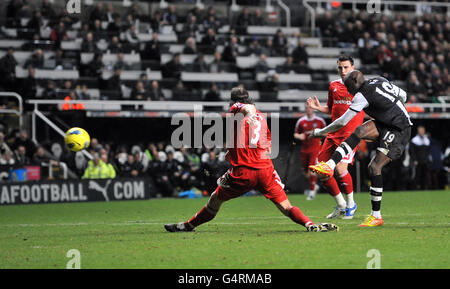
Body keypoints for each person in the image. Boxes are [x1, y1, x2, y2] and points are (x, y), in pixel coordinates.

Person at [164, 86, 338, 233]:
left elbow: (248, 110)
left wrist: (248, 114)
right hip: (265, 170)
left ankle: (188, 226)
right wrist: (233, 150)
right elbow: (267, 146)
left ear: (234, 101)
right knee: (286, 207)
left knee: (215, 199)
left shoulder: (239, 109)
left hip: (244, 171)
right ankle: (310, 224)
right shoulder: (262, 117)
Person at [309, 70, 413, 227]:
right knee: (359, 131)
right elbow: (404, 95)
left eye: (349, 88)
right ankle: (330, 165)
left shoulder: (361, 95)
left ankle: (376, 216)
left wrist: (321, 132)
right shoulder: (379, 80)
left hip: (399, 129)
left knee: (374, 167)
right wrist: (390, 110)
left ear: (353, 86)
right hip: (387, 122)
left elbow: (341, 122)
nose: (349, 92)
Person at [306, 55, 364, 219]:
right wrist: (318, 107)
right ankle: (341, 205)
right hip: (333, 134)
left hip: (350, 135)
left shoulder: (361, 86)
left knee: (339, 169)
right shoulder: (333, 86)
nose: (343, 71)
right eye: (340, 67)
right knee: (321, 171)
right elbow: (331, 109)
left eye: (346, 67)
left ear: (352, 67)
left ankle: (351, 204)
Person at [293, 105, 326, 200]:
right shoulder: (301, 121)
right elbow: (295, 134)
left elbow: (327, 132)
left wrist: (319, 134)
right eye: (307, 108)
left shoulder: (320, 121)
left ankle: (312, 193)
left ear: (313, 109)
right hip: (304, 149)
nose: (309, 109)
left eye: (310, 108)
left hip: (315, 149)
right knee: (306, 172)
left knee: (312, 170)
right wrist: (299, 136)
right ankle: (314, 185)